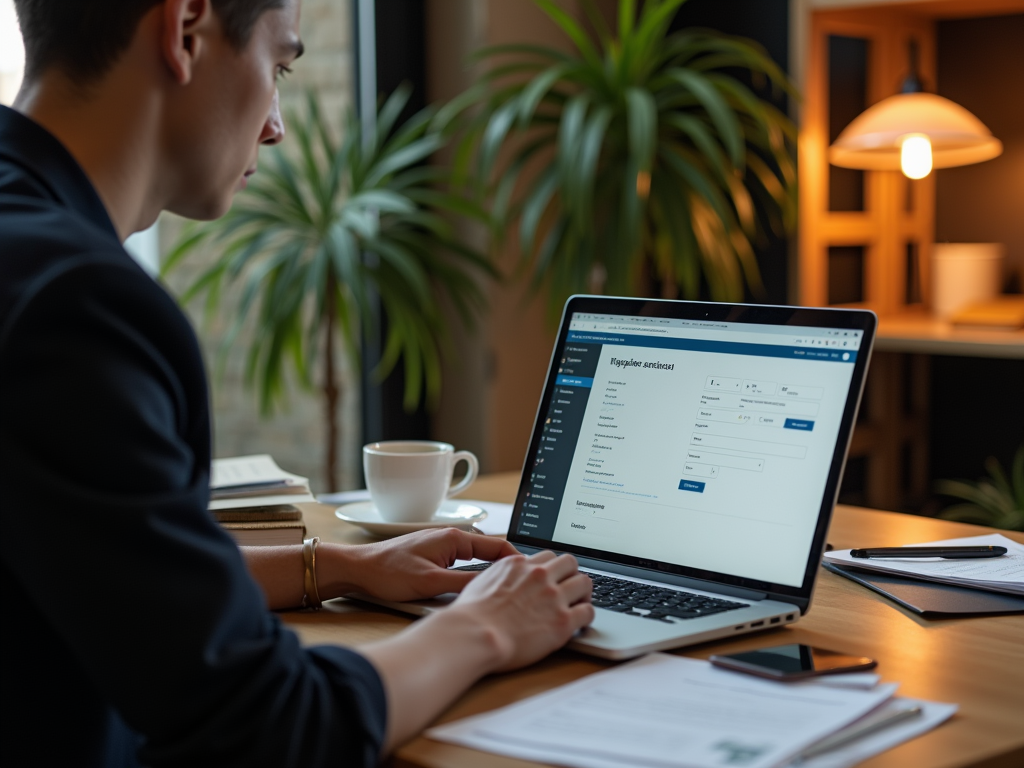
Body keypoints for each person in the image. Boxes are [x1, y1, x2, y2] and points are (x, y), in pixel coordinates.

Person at [0, 1, 594, 766]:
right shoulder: (75, 305)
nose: (275, 125)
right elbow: (267, 727)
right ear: (185, 31)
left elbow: (95, 564)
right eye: (277, 67)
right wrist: (485, 627)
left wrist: (339, 564)